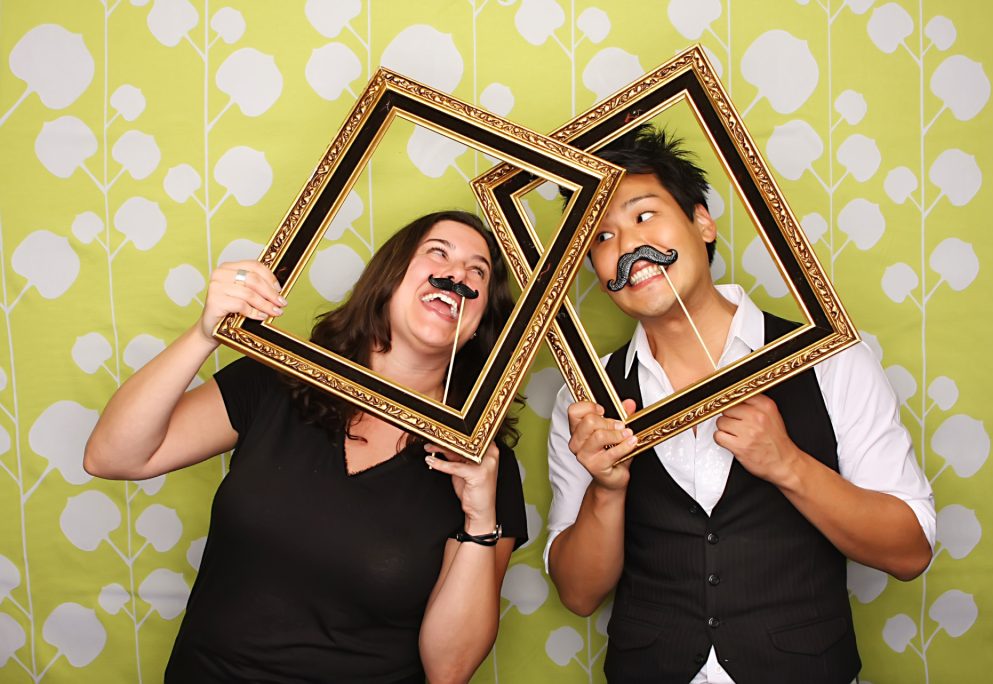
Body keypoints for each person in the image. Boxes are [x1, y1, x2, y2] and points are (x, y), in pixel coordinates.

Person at [545, 126, 935, 684]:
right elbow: (579, 594)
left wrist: (789, 464)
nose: (627, 247)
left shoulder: (828, 359)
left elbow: (910, 551)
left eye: (643, 215)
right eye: (601, 238)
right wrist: (607, 492)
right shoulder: (585, 399)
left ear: (703, 221)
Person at [84, 210, 528, 683]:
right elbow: (112, 456)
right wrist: (203, 334)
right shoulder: (277, 380)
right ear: (389, 278)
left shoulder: (481, 465)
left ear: (480, 324)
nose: (457, 274)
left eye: (477, 271)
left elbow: (450, 670)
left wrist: (480, 521)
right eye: (438, 253)